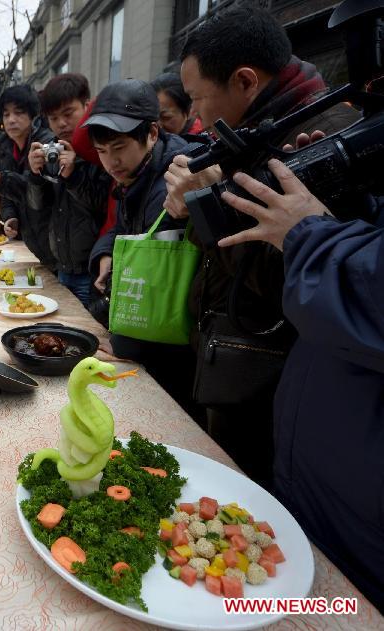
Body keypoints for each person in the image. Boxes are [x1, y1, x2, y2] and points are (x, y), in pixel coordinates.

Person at [161, 4, 365, 485]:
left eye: (196, 99)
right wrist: (195, 208)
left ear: (246, 82)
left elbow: (298, 282)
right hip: (230, 362)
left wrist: (210, 203)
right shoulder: (252, 137)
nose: (194, 116)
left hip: (270, 381)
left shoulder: (327, 139)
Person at [217, 156, 384, 613]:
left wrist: (308, 232)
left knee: (340, 608)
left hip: (365, 519)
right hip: (316, 473)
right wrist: (345, 201)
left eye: (198, 99)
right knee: (286, 595)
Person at [83, 80, 196, 416]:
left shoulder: (172, 185)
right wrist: (105, 255)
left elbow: (157, 282)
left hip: (170, 343)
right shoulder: (136, 174)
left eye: (119, 147)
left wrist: (120, 342)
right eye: (102, 152)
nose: (111, 162)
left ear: (152, 133)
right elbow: (121, 227)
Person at [26, 73, 111, 306]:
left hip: (91, 270)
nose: (61, 124)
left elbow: (103, 206)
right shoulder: (51, 150)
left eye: (68, 113)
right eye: (53, 118)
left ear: (87, 105)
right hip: (62, 266)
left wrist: (74, 175)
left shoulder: (101, 150)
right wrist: (35, 175)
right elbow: (36, 206)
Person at [0, 84, 56, 270]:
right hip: (32, 244)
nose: (11, 120)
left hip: (55, 244)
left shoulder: (47, 144)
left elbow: (38, 192)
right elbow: (8, 195)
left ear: (33, 115)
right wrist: (10, 217)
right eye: (6, 114)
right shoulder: (4, 148)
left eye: (18, 113)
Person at [150, 72, 203, 136]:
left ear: (189, 111)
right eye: (152, 118)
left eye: (166, 117)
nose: (157, 126)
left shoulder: (204, 140)